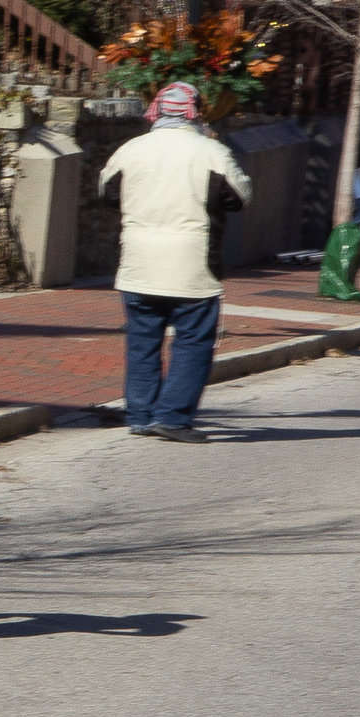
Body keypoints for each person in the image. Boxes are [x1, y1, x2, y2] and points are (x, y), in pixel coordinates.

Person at [97, 80, 251, 444]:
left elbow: (106, 194)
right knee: (193, 342)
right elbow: (240, 196)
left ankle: (140, 414)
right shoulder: (211, 151)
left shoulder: (130, 149)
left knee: (142, 341)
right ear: (196, 111)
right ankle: (172, 417)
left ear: (156, 109)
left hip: (137, 262)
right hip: (192, 263)